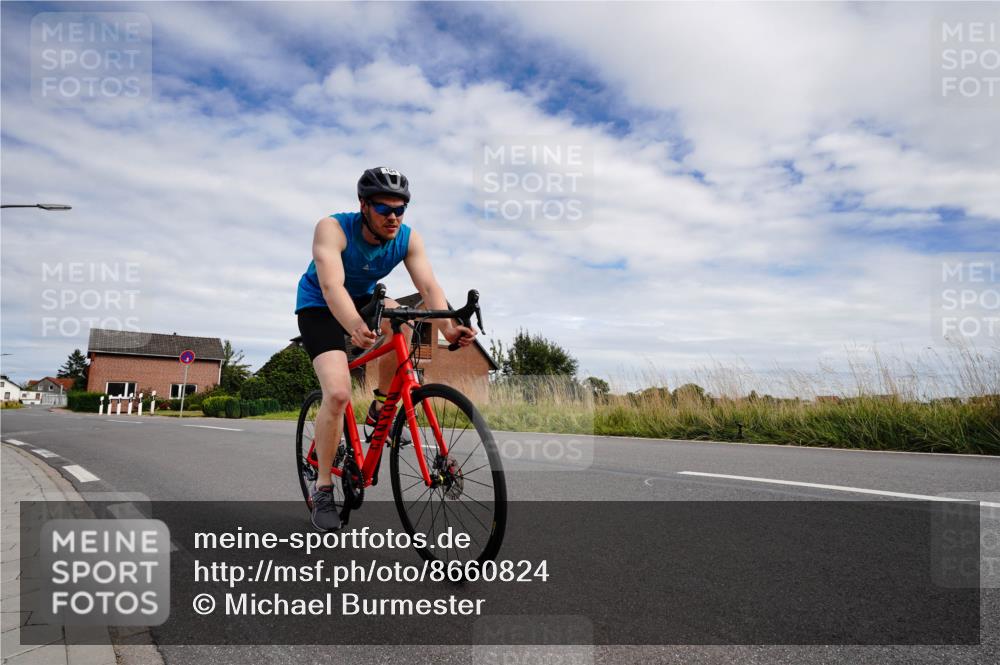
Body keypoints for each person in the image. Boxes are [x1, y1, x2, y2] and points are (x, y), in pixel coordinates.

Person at [295, 167, 476, 532]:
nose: (393, 217)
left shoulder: (408, 239)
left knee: (401, 315)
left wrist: (449, 328)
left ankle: (381, 410)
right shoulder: (331, 228)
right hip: (320, 306)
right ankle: (325, 488)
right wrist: (354, 327)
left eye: (400, 209)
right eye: (384, 209)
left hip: (364, 300)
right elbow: (331, 287)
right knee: (338, 392)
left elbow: (428, 286)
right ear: (363, 206)